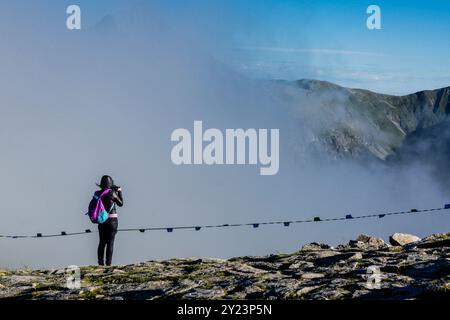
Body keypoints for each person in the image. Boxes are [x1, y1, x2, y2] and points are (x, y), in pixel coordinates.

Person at [95, 175, 124, 266]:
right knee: (110, 242)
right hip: (112, 220)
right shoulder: (112, 193)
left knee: (102, 242)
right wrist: (119, 191)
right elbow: (121, 203)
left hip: (102, 220)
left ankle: (100, 263)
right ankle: (108, 263)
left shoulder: (97, 193)